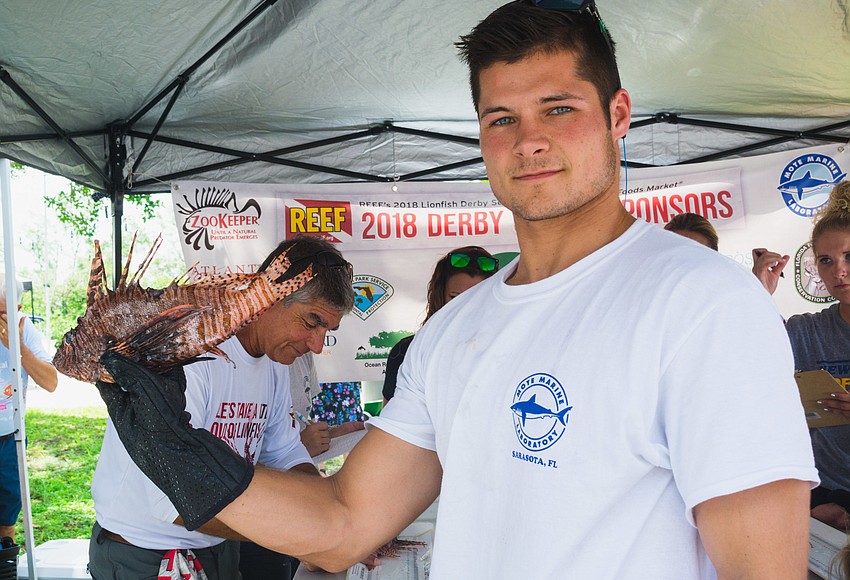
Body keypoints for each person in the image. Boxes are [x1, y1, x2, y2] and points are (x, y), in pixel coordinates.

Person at [97, 2, 818, 578]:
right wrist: (182, 452)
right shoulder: (455, 328)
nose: (528, 140)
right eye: (502, 119)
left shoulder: (704, 303)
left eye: (558, 108)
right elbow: (344, 523)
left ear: (618, 116)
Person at [88, 236, 356, 580]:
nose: (317, 345)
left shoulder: (274, 361)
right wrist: (304, 536)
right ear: (271, 296)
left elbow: (284, 451)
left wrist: (329, 512)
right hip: (147, 553)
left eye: (327, 330)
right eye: (311, 321)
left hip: (214, 544)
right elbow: (172, 498)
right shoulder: (193, 352)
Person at [753, 180, 850, 531]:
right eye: (826, 260)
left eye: (848, 256)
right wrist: (758, 294)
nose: (837, 271)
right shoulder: (808, 332)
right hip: (828, 504)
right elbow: (750, 357)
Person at [383, 246, 499, 403]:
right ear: (439, 297)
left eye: (477, 298)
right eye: (455, 297)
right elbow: (391, 421)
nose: (465, 308)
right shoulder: (407, 351)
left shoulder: (505, 351)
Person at [0, 273, 57, 544]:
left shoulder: (25, 330)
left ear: (17, 310)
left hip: (10, 439)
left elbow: (51, 382)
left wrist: (18, 348)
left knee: (6, 521)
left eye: (1, 313)